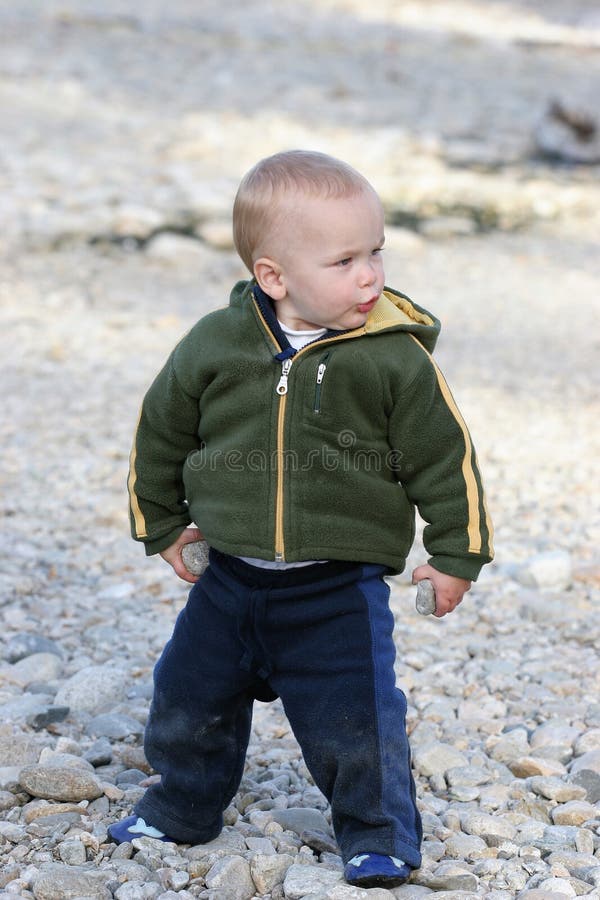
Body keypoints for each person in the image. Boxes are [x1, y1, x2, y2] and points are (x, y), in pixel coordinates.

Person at [108, 150, 494, 889]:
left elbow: (446, 459)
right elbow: (160, 433)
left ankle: (377, 834)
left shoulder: (394, 360)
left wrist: (456, 555)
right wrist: (162, 526)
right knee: (187, 699)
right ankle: (182, 805)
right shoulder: (215, 345)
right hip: (228, 582)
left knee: (358, 721)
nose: (370, 274)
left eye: (376, 250)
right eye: (345, 259)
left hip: (334, 591)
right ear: (273, 275)